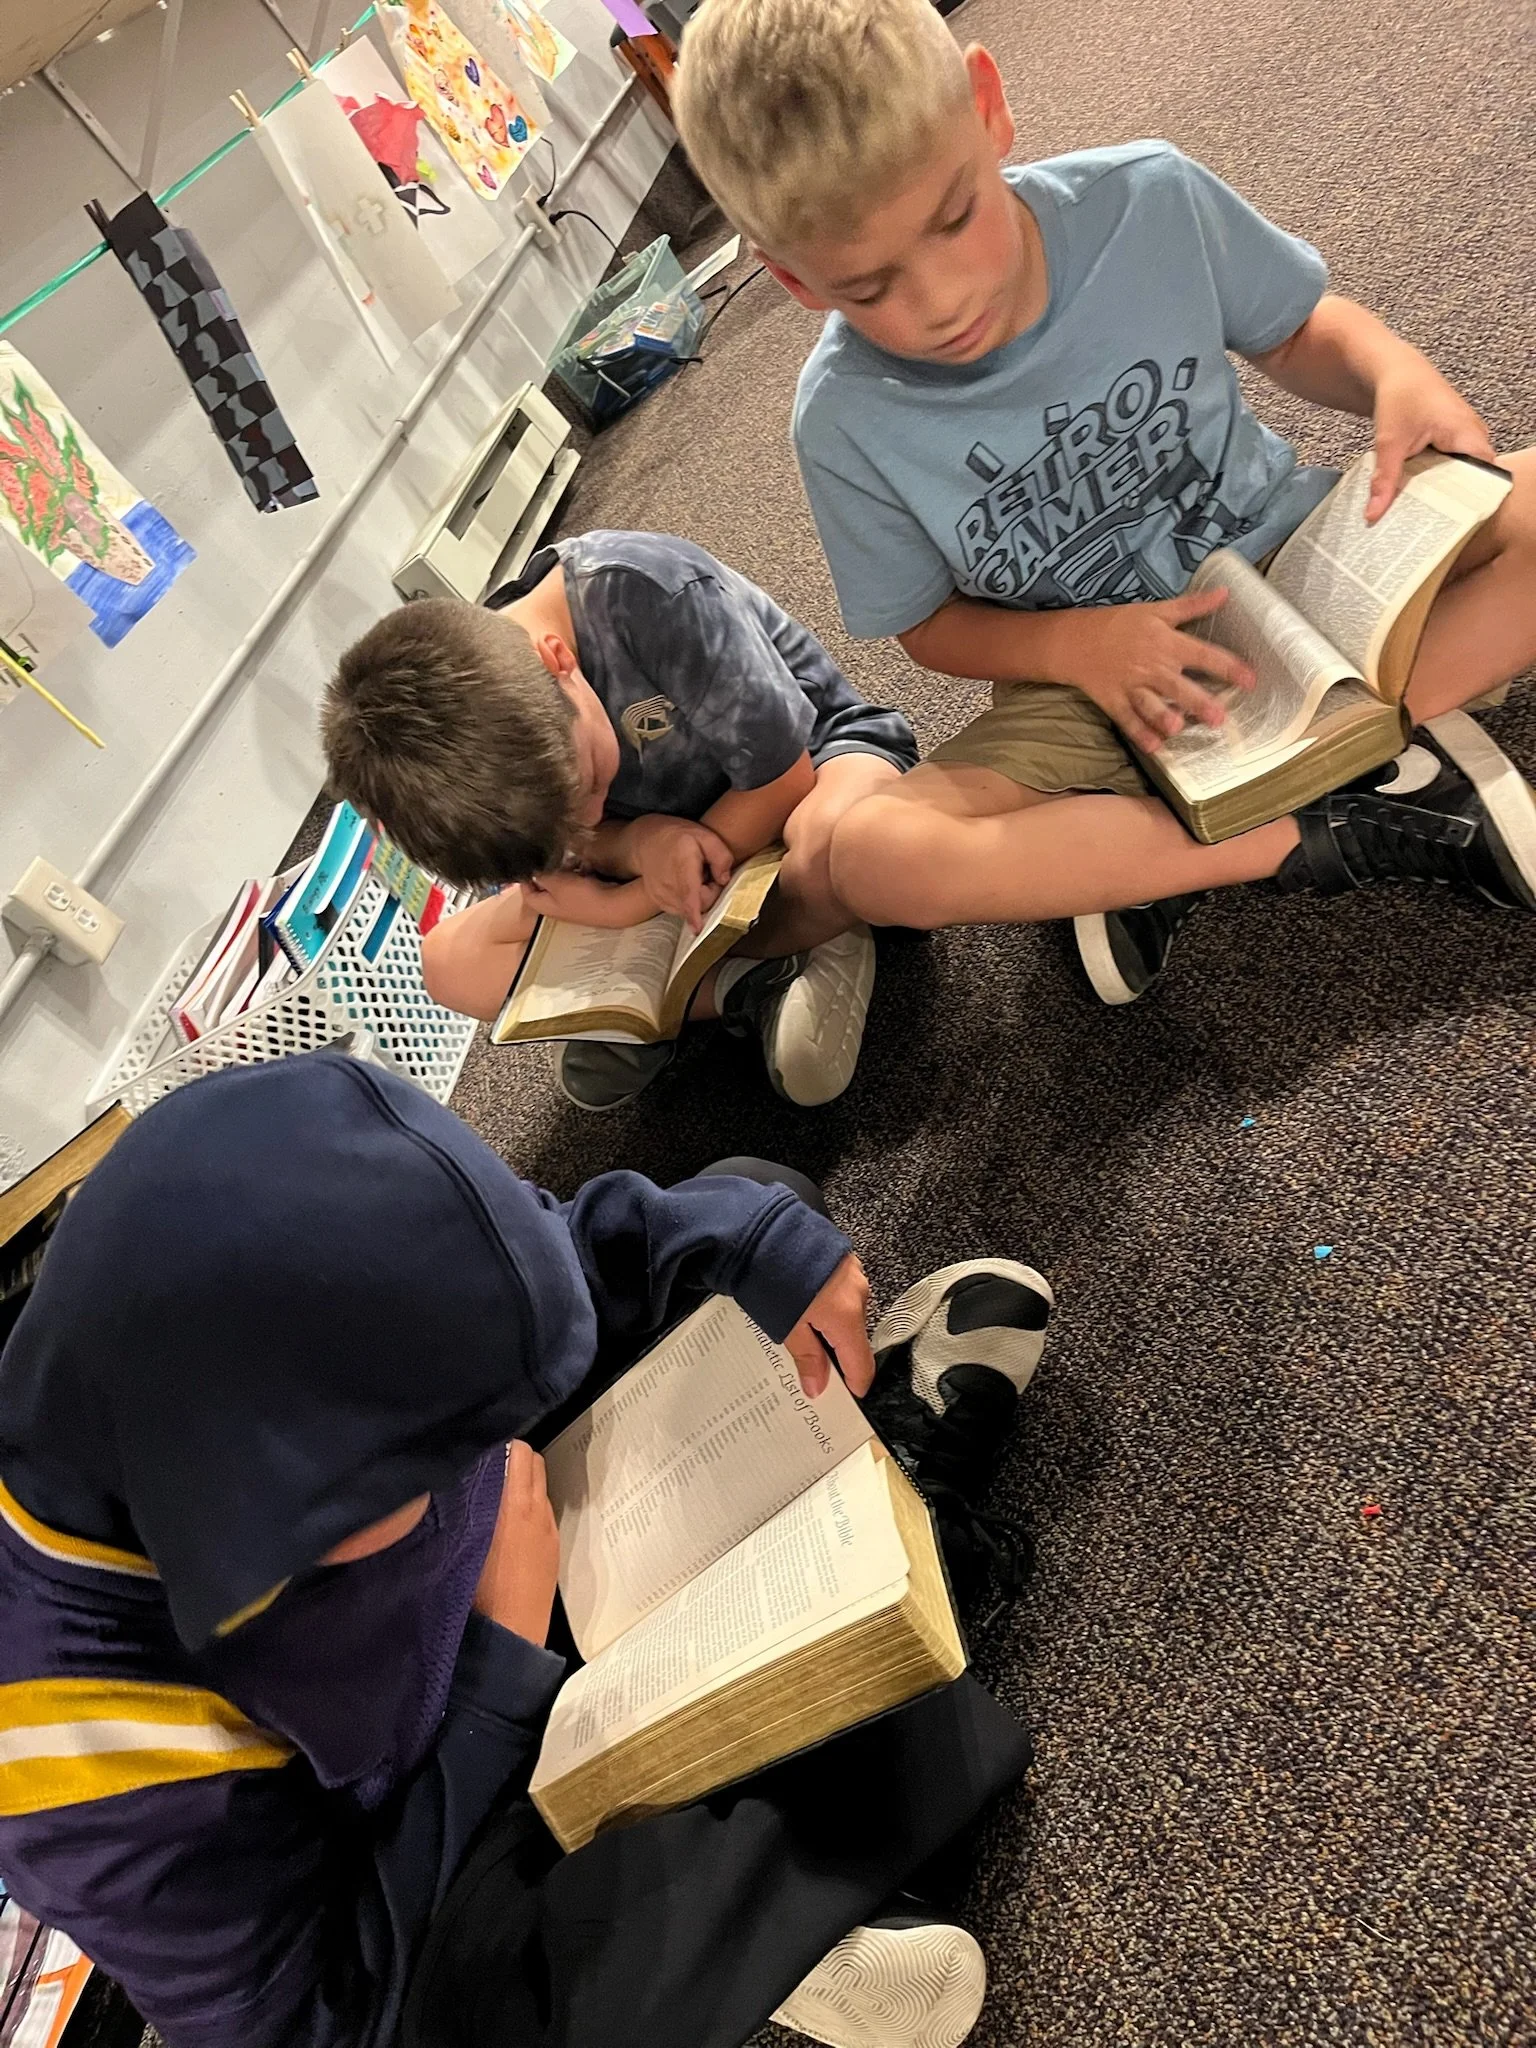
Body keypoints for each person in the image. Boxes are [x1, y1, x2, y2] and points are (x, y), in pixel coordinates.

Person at [0, 1052, 1051, 2048]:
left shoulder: (207, 1348)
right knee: (482, 2007)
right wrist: (499, 1664)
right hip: (441, 1806)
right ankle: (905, 1536)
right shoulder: (79, 1759)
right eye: (422, 1468)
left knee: (748, 1205)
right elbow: (312, 2020)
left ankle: (783, 1887)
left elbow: (537, 1260)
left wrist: (750, 1241)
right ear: (262, 1525)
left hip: (523, 1565)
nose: (464, 1460)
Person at [671, 0, 1536, 1003]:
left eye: (955, 216)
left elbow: (1298, 332)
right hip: (1093, 694)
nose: (942, 298)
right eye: (870, 288)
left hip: (1302, 559)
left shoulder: (1148, 197)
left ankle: (1134, 848)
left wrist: (1394, 371)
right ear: (791, 278)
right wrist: (1075, 649)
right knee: (869, 850)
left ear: (988, 107)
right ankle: (1307, 820)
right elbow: (927, 626)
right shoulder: (841, 422)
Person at [322, 532, 918, 1108]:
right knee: (448, 963)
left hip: (811, 768)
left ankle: (711, 980)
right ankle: (752, 983)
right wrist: (633, 845)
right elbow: (576, 848)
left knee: (841, 840)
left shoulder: (647, 591)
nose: (589, 817)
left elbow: (781, 778)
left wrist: (631, 903)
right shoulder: (503, 748)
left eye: (588, 786)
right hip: (667, 862)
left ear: (557, 660)